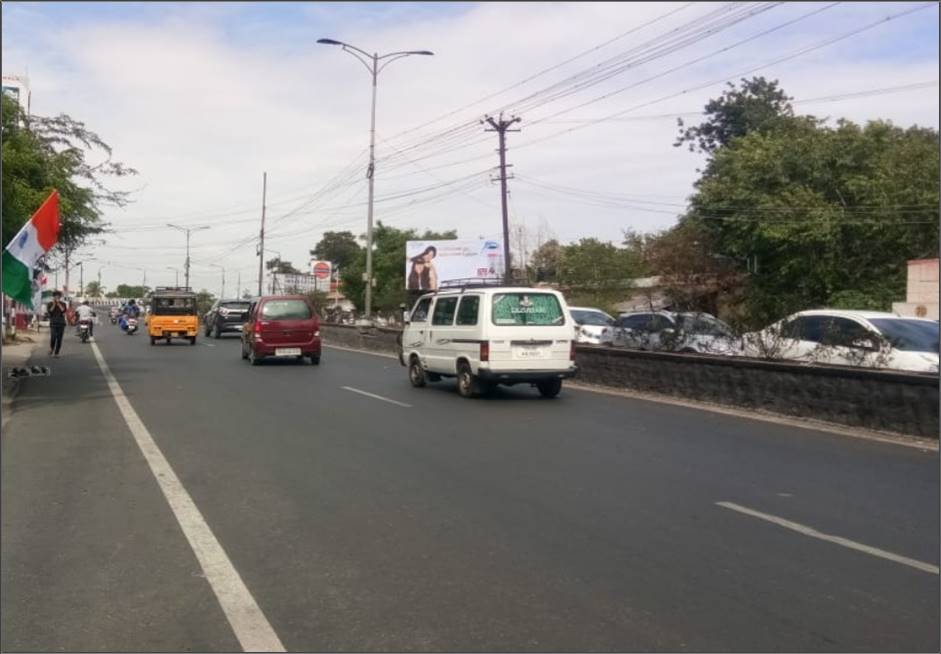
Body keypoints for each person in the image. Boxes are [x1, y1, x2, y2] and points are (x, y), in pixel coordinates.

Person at [46, 291, 67, 357]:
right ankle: (52, 348)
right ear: (54, 297)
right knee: (53, 337)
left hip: (61, 323)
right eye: (55, 296)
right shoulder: (49, 304)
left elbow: (63, 310)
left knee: (59, 339)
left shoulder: (63, 303)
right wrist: (54, 304)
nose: (57, 297)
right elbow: (50, 311)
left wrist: (58, 304)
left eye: (58, 296)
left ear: (60, 297)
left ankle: (57, 353)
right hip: (53, 323)